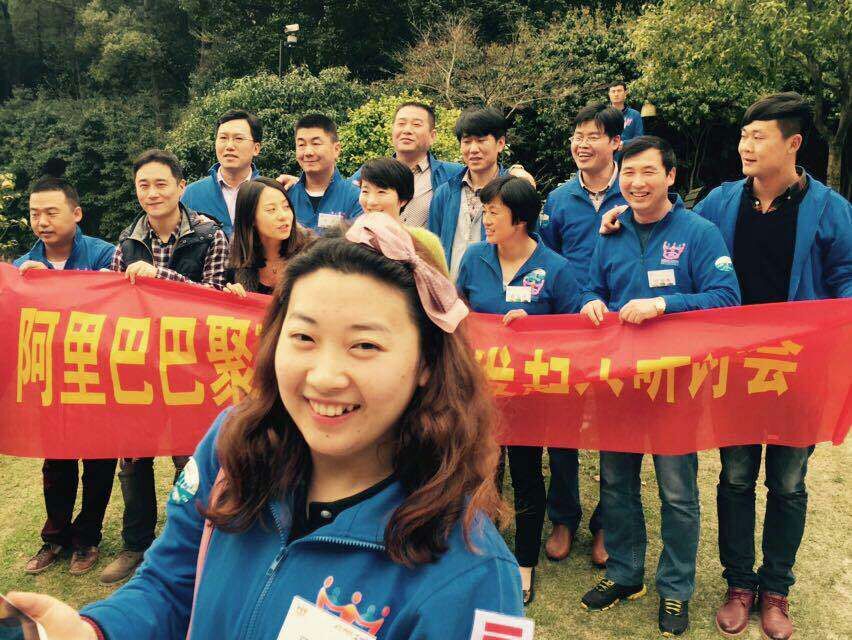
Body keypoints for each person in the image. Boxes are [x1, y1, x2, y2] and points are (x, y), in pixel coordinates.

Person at [6, 213, 524, 640]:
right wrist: (93, 632)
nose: (324, 377)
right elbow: (170, 585)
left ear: (426, 362)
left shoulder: (474, 576)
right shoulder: (233, 446)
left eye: (365, 345)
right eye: (304, 338)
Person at [692, 93, 851, 640]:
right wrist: (625, 219)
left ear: (793, 143)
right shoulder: (721, 201)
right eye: (744, 136)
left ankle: (776, 589)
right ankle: (739, 584)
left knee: (787, 482)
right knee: (736, 477)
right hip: (736, 370)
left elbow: (846, 280)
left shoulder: (829, 209)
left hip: (798, 371)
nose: (746, 146)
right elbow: (679, 236)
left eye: (758, 137)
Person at [578, 136, 741, 637]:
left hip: (676, 387)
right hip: (619, 385)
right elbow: (593, 286)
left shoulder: (699, 233)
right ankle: (625, 573)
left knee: (677, 492)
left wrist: (663, 305)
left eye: (648, 172)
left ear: (670, 177)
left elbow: (727, 297)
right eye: (628, 173)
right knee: (616, 483)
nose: (636, 182)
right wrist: (590, 301)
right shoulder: (611, 230)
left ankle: (675, 587)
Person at [102, 148, 230, 585]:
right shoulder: (126, 241)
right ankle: (135, 544)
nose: (152, 193)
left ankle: (189, 542)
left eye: (161, 184)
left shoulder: (210, 234)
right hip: (139, 365)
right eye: (144, 185)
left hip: (190, 364)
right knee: (133, 455)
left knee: (189, 456)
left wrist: (162, 278)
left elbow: (214, 298)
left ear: (181, 186)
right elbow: (114, 305)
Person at [456, 175, 582, 606]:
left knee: (527, 475)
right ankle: (479, 551)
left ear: (521, 220)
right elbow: (459, 311)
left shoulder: (556, 268)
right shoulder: (474, 257)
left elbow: (575, 335)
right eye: (484, 210)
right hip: (482, 391)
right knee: (481, 472)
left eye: (494, 212)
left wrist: (534, 328)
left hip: (531, 395)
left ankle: (524, 562)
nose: (485, 219)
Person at [539, 102, 627, 566]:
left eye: (593, 135)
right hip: (568, 330)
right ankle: (563, 516)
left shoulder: (635, 190)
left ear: (616, 142)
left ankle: (608, 522)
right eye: (577, 136)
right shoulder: (558, 199)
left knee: (615, 429)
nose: (582, 144)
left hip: (622, 330)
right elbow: (546, 260)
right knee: (562, 428)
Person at [15, 176, 117, 577]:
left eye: (50, 212)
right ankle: (55, 537)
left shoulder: (105, 255)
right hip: (52, 381)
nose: (41, 221)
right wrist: (25, 286)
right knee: (56, 461)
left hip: (97, 376)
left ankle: (87, 537)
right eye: (34, 213)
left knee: (99, 460)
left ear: (76, 213)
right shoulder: (22, 267)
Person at [428, 107, 511, 281]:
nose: (473, 149)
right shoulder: (445, 193)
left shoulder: (514, 192)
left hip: (495, 291)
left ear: (500, 143)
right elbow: (432, 249)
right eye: (467, 142)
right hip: (450, 291)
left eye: (481, 140)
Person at [350, 101, 464, 227]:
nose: (407, 130)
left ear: (432, 136)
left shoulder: (454, 175)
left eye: (416, 124)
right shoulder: (367, 174)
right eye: (401, 123)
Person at [224, 177, 314, 297]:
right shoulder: (234, 259)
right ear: (251, 218)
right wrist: (233, 297)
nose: (283, 216)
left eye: (286, 206)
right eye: (271, 210)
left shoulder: (312, 254)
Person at [358, 157, 448, 273]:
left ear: (403, 199)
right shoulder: (351, 239)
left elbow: (440, 283)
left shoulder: (426, 242)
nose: (371, 202)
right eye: (365, 191)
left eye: (381, 192)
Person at [181, 109, 262, 237]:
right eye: (223, 138)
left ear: (256, 148)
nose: (229, 146)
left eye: (238, 138)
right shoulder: (191, 194)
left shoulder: (270, 192)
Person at [286, 113, 362, 231]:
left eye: (316, 143)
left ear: (336, 149)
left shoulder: (356, 197)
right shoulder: (286, 195)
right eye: (301, 145)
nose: (308, 152)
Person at [608, 81, 643, 148]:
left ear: (625, 93)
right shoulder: (603, 115)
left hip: (628, 152)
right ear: (609, 94)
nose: (616, 94)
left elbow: (640, 138)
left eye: (619, 91)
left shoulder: (635, 115)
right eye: (613, 91)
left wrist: (625, 144)